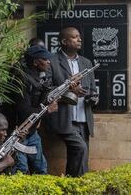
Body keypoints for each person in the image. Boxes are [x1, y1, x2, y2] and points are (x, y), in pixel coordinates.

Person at [46, 26, 98, 177]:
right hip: (64, 118)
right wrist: (69, 91)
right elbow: (46, 90)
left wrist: (93, 98)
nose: (79, 39)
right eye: (75, 37)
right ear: (64, 41)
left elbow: (93, 90)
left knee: (81, 155)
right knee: (80, 148)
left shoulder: (86, 63)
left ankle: (72, 183)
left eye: (79, 37)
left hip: (83, 118)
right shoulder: (52, 61)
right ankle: (78, 185)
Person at [7, 45, 58, 175]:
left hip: (32, 132)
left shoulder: (38, 78)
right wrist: (48, 110)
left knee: (41, 170)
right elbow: (25, 112)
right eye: (45, 59)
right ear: (35, 62)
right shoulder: (21, 80)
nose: (48, 62)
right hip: (19, 133)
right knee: (21, 171)